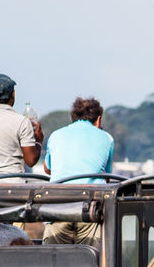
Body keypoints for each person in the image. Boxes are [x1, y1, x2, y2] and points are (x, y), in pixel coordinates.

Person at [42, 97, 114, 246]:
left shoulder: (56, 135)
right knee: (92, 257)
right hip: (90, 208)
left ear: (73, 118)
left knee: (53, 258)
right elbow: (106, 177)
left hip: (57, 206)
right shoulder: (107, 138)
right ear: (98, 119)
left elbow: (48, 169)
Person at [0, 73, 44, 179]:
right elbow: (31, 160)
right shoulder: (22, 121)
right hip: (13, 183)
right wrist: (38, 141)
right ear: (13, 94)